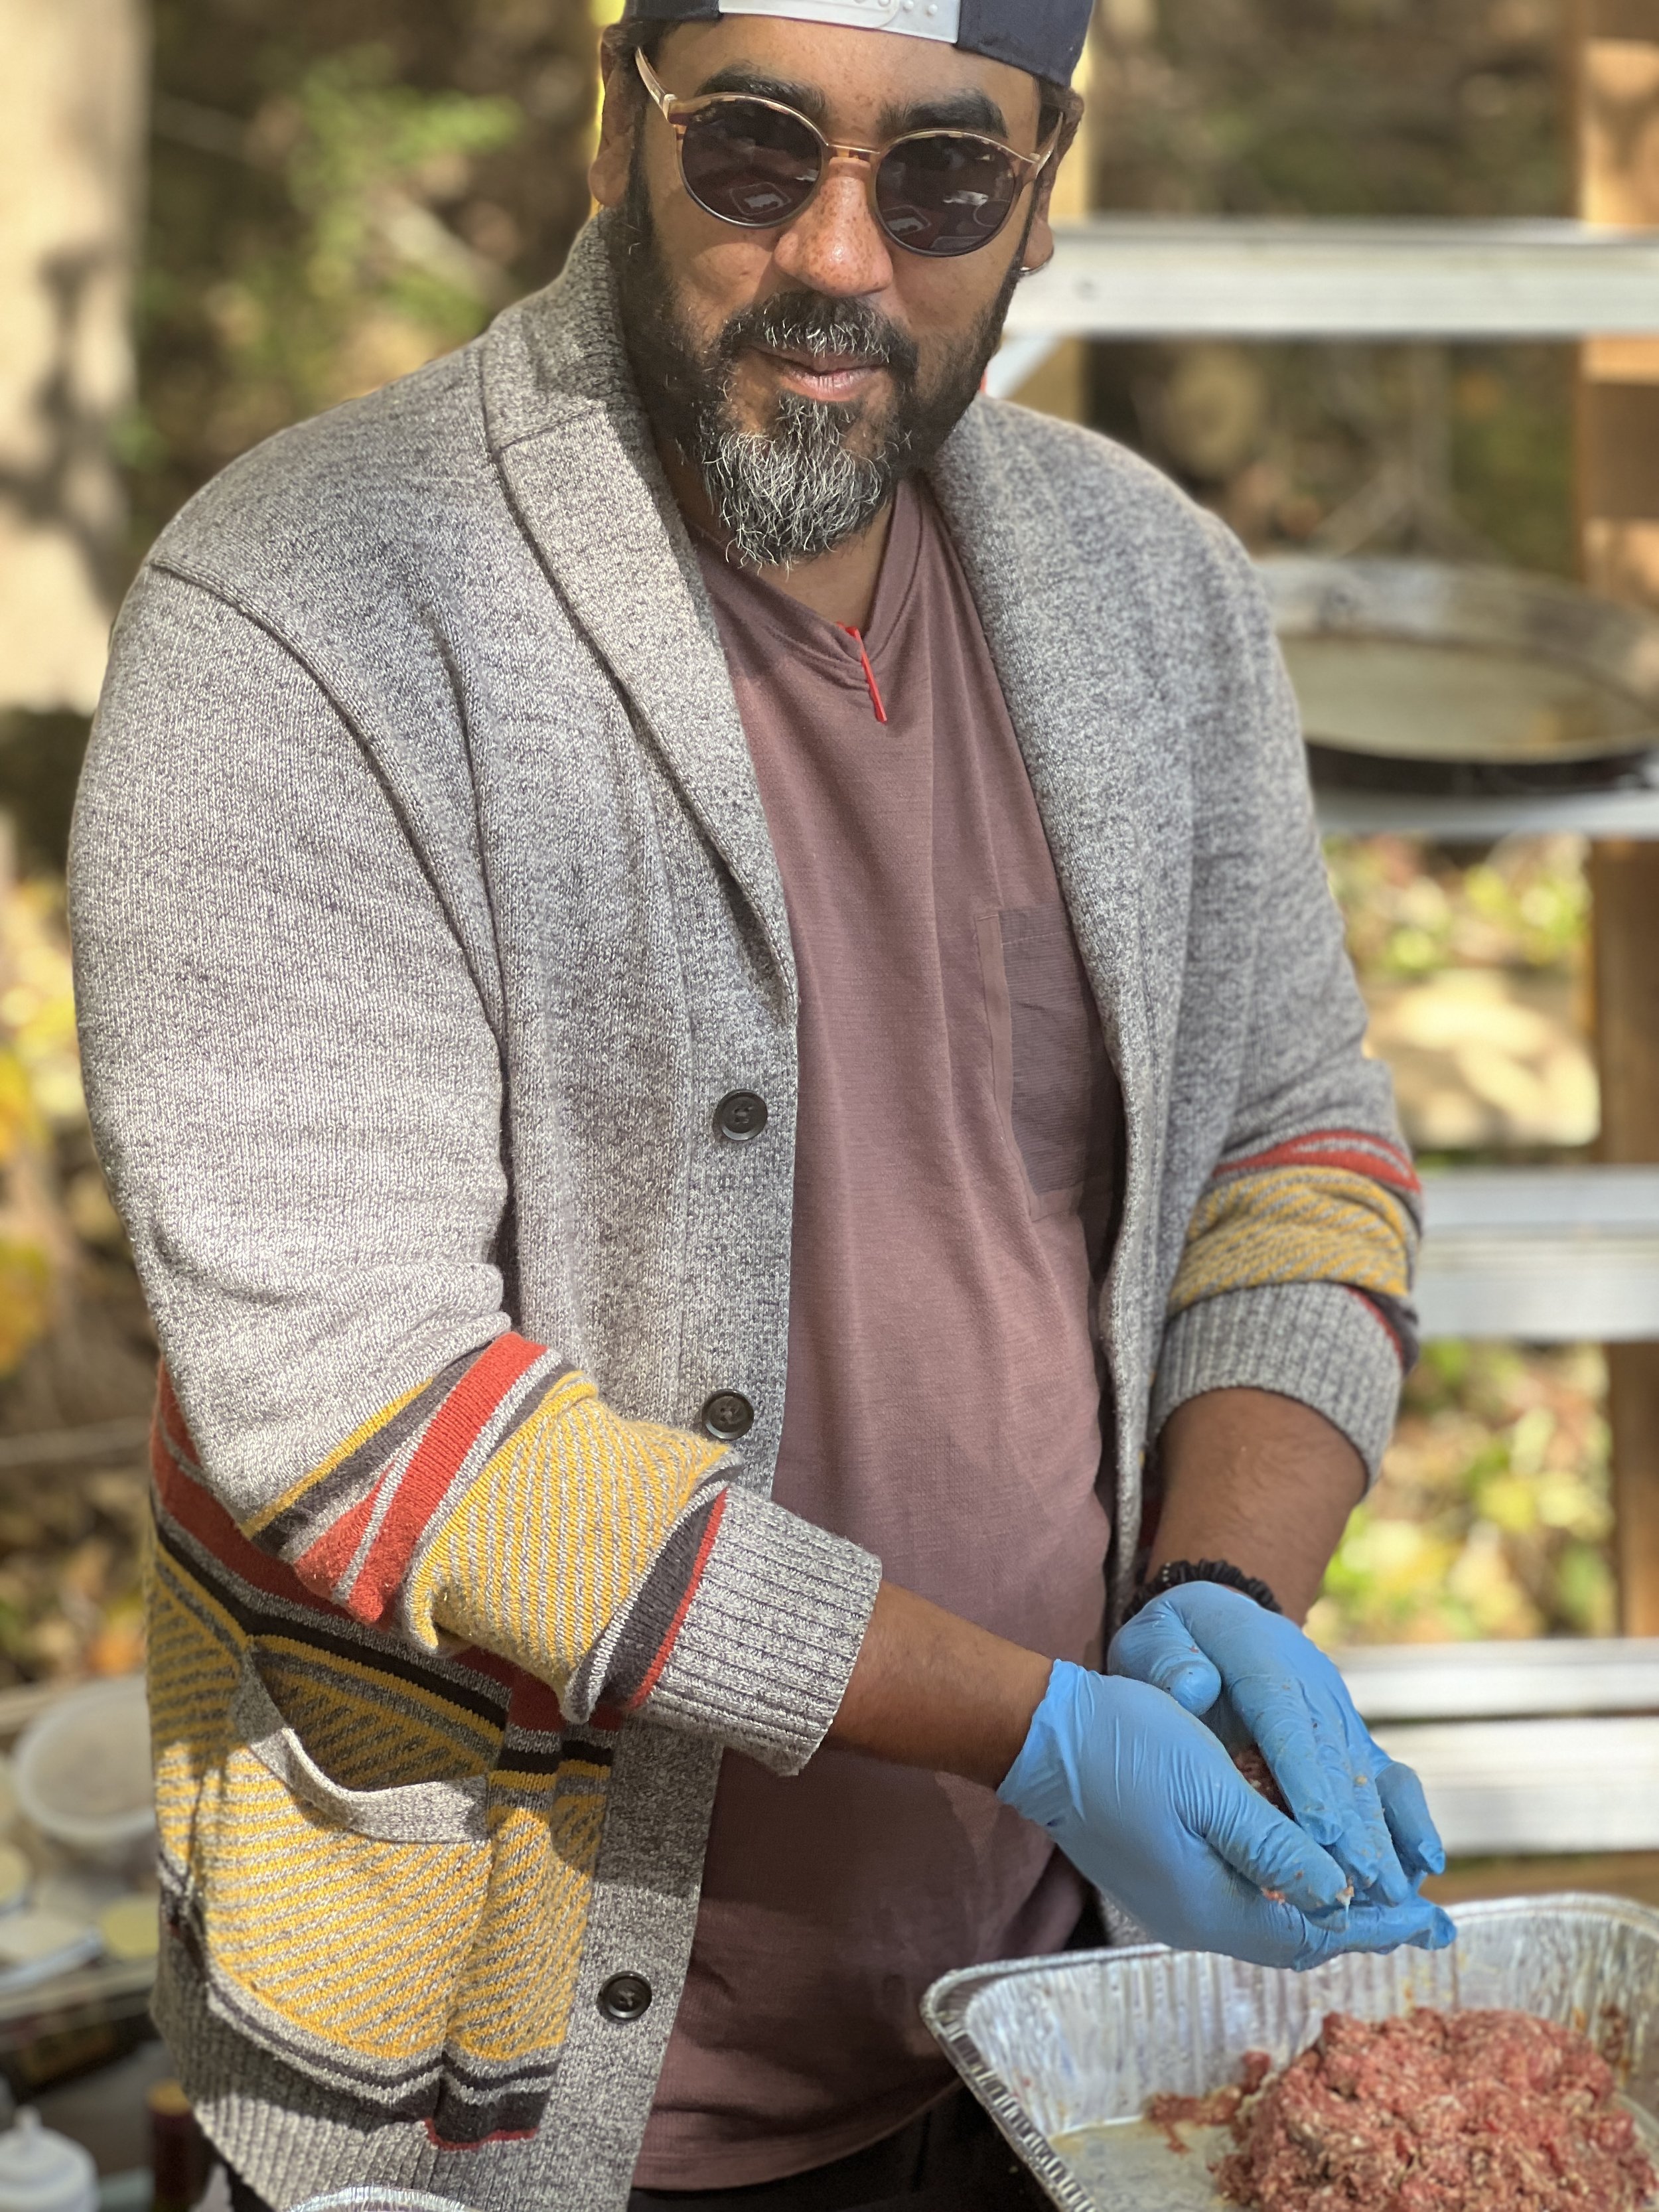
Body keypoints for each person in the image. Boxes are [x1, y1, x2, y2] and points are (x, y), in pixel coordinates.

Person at [68, 3, 1453, 2209]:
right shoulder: (306, 609)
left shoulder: (1149, 590)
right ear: (615, 132)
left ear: (1036, 195)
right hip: (508, 2106)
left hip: (1061, 2041)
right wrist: (1028, 1726)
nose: (836, 253)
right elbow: (356, 1412)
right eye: (752, 147)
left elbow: (1295, 1145)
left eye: (941, 177)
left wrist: (1227, 1591)